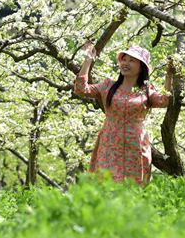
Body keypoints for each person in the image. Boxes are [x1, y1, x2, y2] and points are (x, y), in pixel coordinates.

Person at [74, 42, 173, 185]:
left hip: (136, 147)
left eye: (132, 61)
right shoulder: (108, 86)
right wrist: (89, 59)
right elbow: (81, 89)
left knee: (133, 189)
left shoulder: (146, 90)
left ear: (141, 67)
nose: (126, 63)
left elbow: (164, 100)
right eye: (124, 59)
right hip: (110, 145)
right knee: (105, 186)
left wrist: (168, 76)